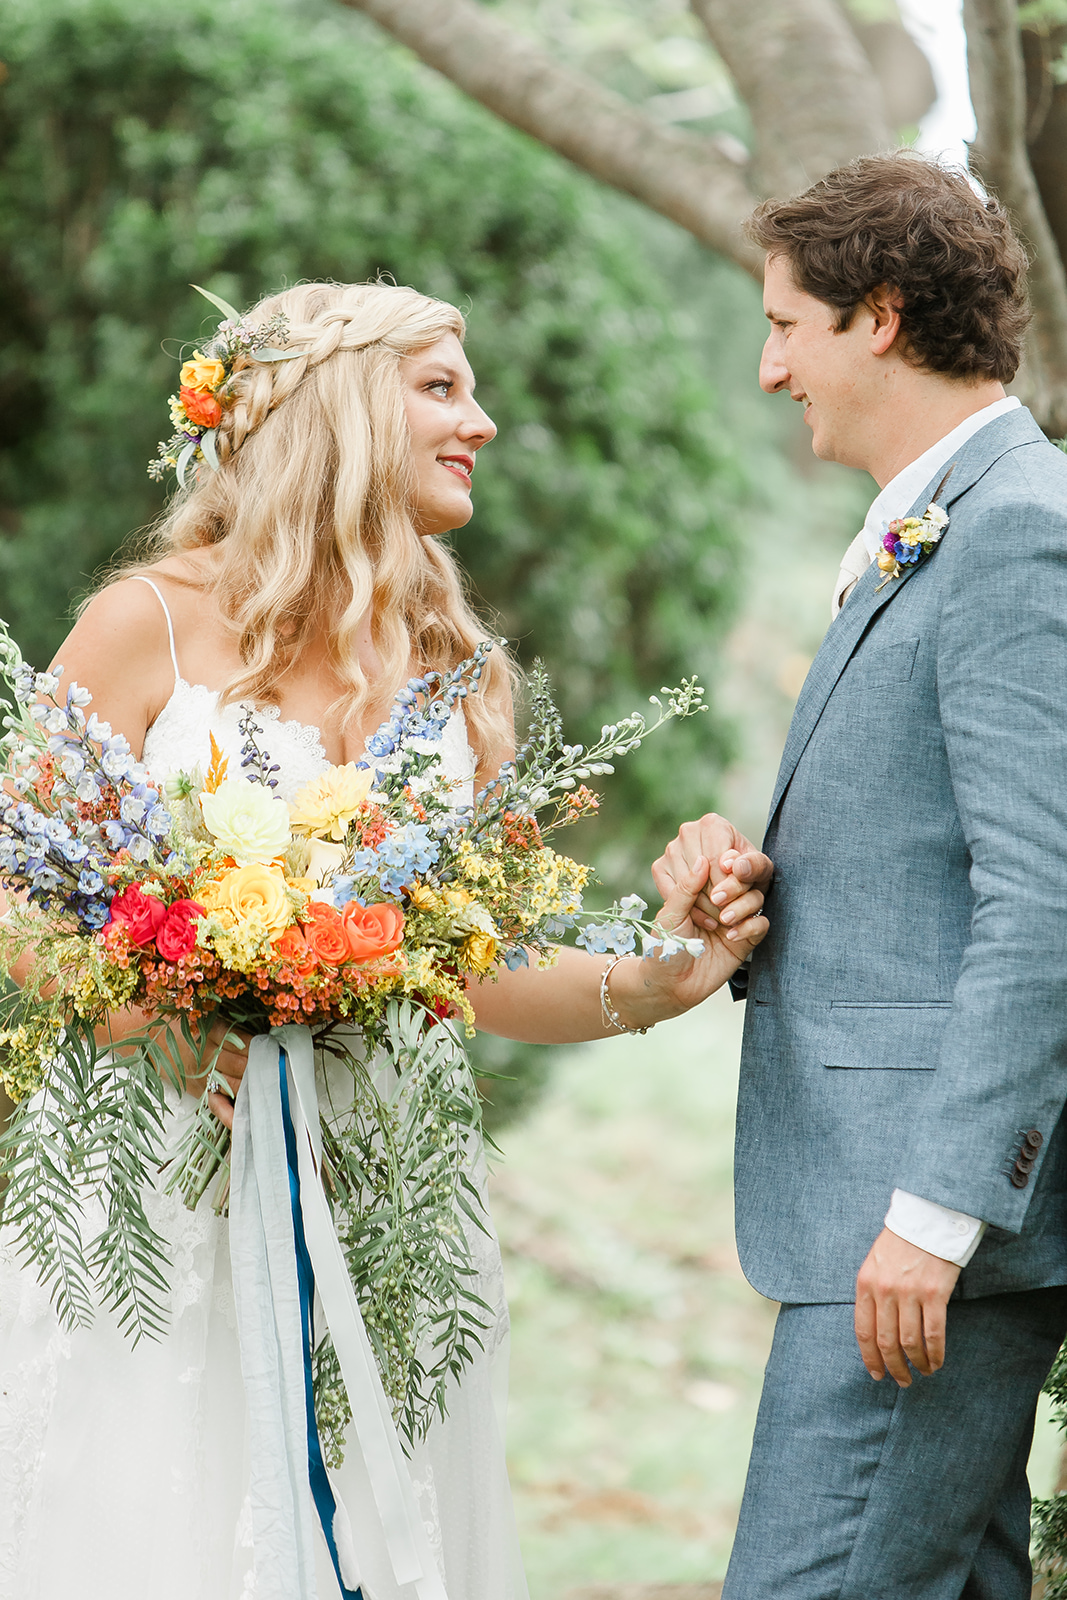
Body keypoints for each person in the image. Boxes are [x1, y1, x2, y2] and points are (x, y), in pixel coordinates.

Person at [0, 280, 770, 1600]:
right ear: (338, 410)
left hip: (386, 1198)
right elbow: (20, 915)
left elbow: (490, 969)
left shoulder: (456, 673)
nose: (481, 421)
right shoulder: (150, 626)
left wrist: (667, 974)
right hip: (158, 1200)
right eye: (441, 387)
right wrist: (188, 1000)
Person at [673, 152, 1067, 1598]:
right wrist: (749, 888)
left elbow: (1048, 908)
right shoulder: (943, 525)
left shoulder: (1015, 529)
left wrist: (936, 1217)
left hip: (912, 1246)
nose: (772, 370)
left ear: (880, 318)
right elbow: (933, 867)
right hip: (886, 1229)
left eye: (787, 327)